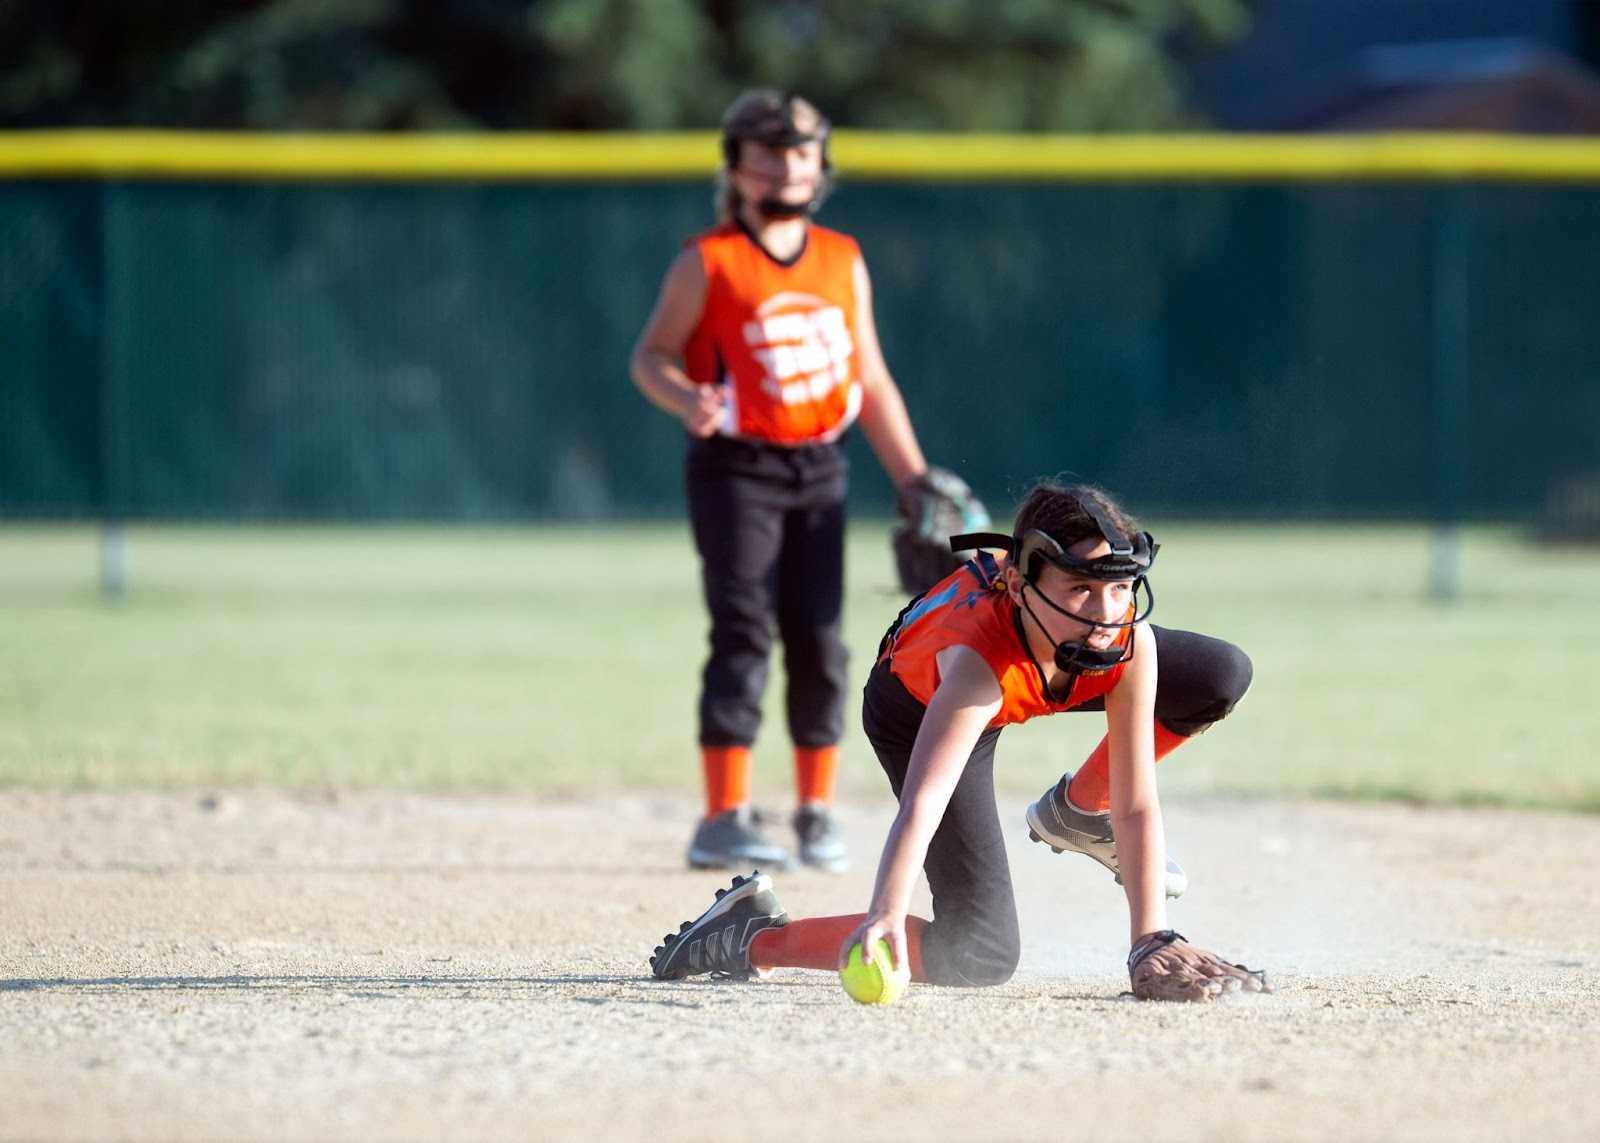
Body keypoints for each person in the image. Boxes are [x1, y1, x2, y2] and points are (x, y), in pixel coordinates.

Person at [647, 481, 1272, 1002]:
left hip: (1040, 664)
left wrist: (1151, 938)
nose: (1107, 613)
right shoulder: (977, 665)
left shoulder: (1122, 639)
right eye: (1080, 588)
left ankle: (1078, 811)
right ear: (1021, 586)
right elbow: (923, 805)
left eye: (1119, 586)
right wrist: (886, 910)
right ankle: (752, 935)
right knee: (981, 953)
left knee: (1218, 674)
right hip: (917, 708)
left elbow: (1133, 804)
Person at [630, 89, 974, 874]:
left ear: (820, 164)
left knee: (821, 637)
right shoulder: (708, 260)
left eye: (801, 152)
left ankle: (816, 811)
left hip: (820, 466)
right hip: (736, 467)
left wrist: (914, 479)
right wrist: (685, 397)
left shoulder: (841, 258)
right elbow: (649, 356)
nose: (787, 167)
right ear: (736, 167)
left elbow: (870, 379)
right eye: (768, 153)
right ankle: (722, 816)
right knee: (744, 629)